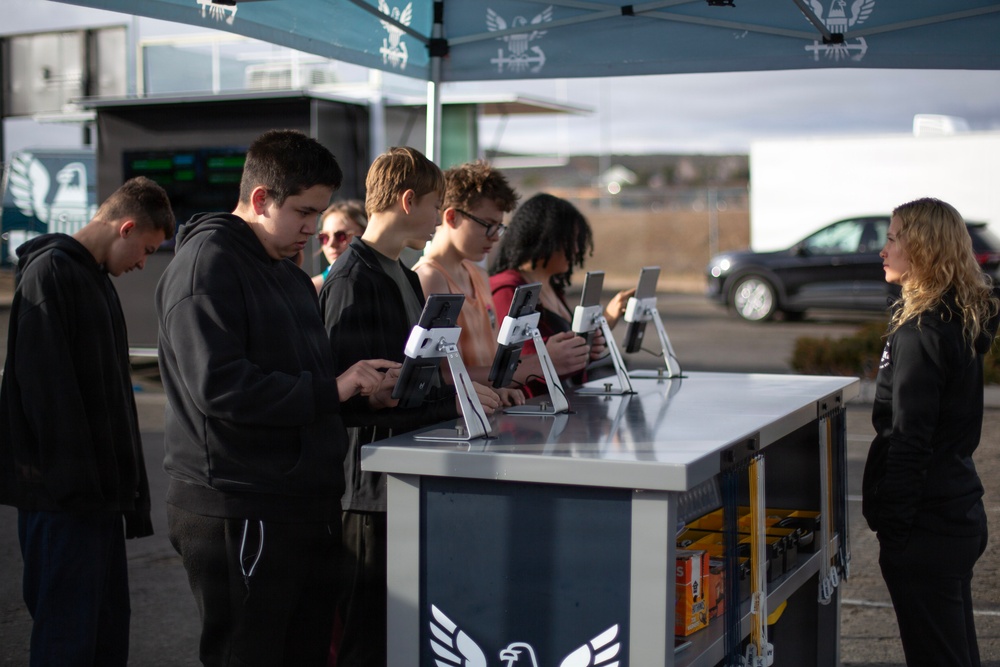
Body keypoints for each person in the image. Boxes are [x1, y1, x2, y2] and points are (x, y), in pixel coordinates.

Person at [155, 129, 398, 667]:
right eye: (303, 213)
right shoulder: (206, 265)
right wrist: (335, 387)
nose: (313, 231)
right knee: (250, 652)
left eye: (320, 214)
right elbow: (220, 386)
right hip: (240, 504)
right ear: (261, 199)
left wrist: (362, 394)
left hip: (300, 504)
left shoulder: (286, 276)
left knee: (305, 651)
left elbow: (305, 383)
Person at [320, 147, 501, 667]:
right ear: (406, 201)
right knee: (367, 634)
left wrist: (457, 396)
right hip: (366, 491)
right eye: (435, 204)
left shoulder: (395, 272)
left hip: (394, 479)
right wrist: (453, 402)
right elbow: (356, 399)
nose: (438, 218)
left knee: (393, 633)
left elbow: (409, 381)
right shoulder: (354, 279)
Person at [0, 176, 175, 666]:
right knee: (67, 637)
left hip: (92, 500)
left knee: (101, 633)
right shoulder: (51, 273)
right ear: (124, 227)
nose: (143, 262)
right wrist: (80, 486)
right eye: (144, 248)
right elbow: (46, 393)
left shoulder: (92, 278)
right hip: (65, 501)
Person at [862, 197, 999, 667]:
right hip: (954, 512)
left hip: (928, 526)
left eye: (893, 237)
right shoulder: (953, 317)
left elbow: (910, 438)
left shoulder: (922, 333)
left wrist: (895, 527)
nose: (883, 250)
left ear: (921, 248)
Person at [413, 161, 588, 400]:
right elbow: (437, 377)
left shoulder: (479, 275)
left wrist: (505, 386)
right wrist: (536, 363)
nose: (495, 237)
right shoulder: (430, 278)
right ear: (452, 217)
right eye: (488, 225)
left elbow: (492, 362)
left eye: (499, 227)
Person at [489, 192, 634, 396]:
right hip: (533, 415)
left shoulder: (551, 287)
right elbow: (525, 367)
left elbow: (562, 360)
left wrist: (589, 345)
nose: (576, 250)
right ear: (544, 239)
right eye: (569, 241)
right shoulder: (508, 290)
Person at [312, 199, 367, 292]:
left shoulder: (383, 279)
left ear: (365, 234)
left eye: (341, 236)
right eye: (324, 237)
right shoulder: (311, 289)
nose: (331, 244)